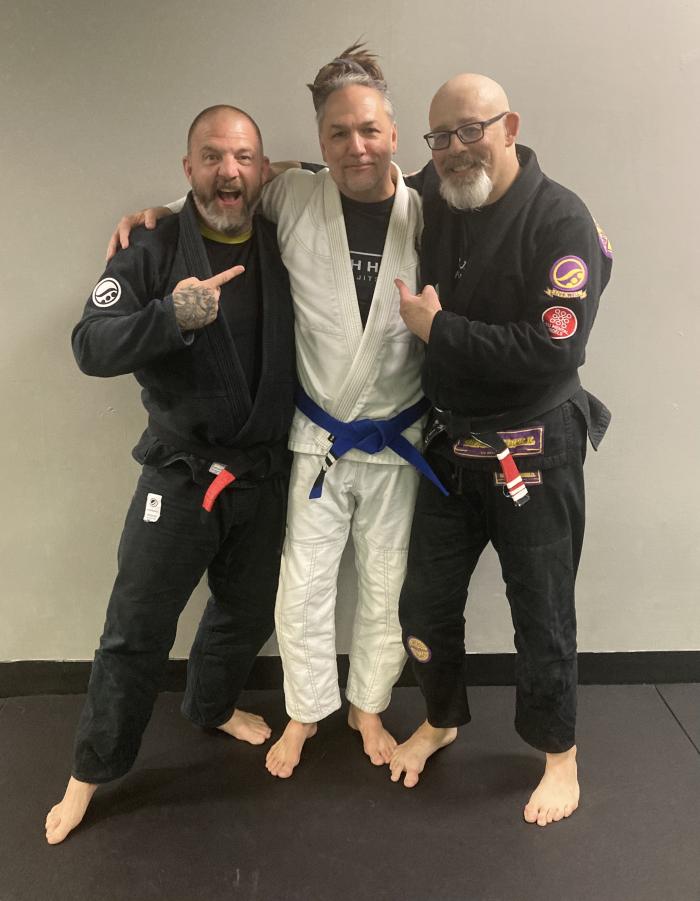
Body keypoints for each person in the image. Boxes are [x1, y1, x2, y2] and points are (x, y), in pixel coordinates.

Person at [107, 45, 441, 779]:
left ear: (394, 131)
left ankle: (368, 705)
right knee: (303, 584)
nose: (356, 146)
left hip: (398, 437)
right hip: (317, 437)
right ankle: (306, 709)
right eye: (338, 133)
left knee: (387, 582)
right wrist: (162, 214)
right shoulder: (293, 196)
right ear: (319, 141)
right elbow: (225, 192)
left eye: (370, 130)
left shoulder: (430, 211)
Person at [45, 105, 296, 844]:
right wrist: (170, 317)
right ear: (188, 167)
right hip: (180, 475)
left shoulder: (288, 238)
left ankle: (211, 706)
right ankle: (89, 772)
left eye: (244, 158)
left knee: (248, 612)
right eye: (212, 157)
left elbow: (352, 176)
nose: (229, 171)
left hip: (262, 474)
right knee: (137, 628)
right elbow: (90, 344)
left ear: (264, 169)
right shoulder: (152, 246)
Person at [389, 74, 613, 827]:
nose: (455, 149)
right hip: (451, 446)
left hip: (536, 449)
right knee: (423, 602)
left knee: (542, 611)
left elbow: (555, 348)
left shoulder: (562, 218)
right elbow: (358, 171)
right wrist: (181, 207)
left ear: (508, 126)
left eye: (471, 130)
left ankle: (559, 754)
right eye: (440, 137)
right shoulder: (439, 188)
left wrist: (440, 332)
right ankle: (441, 717)